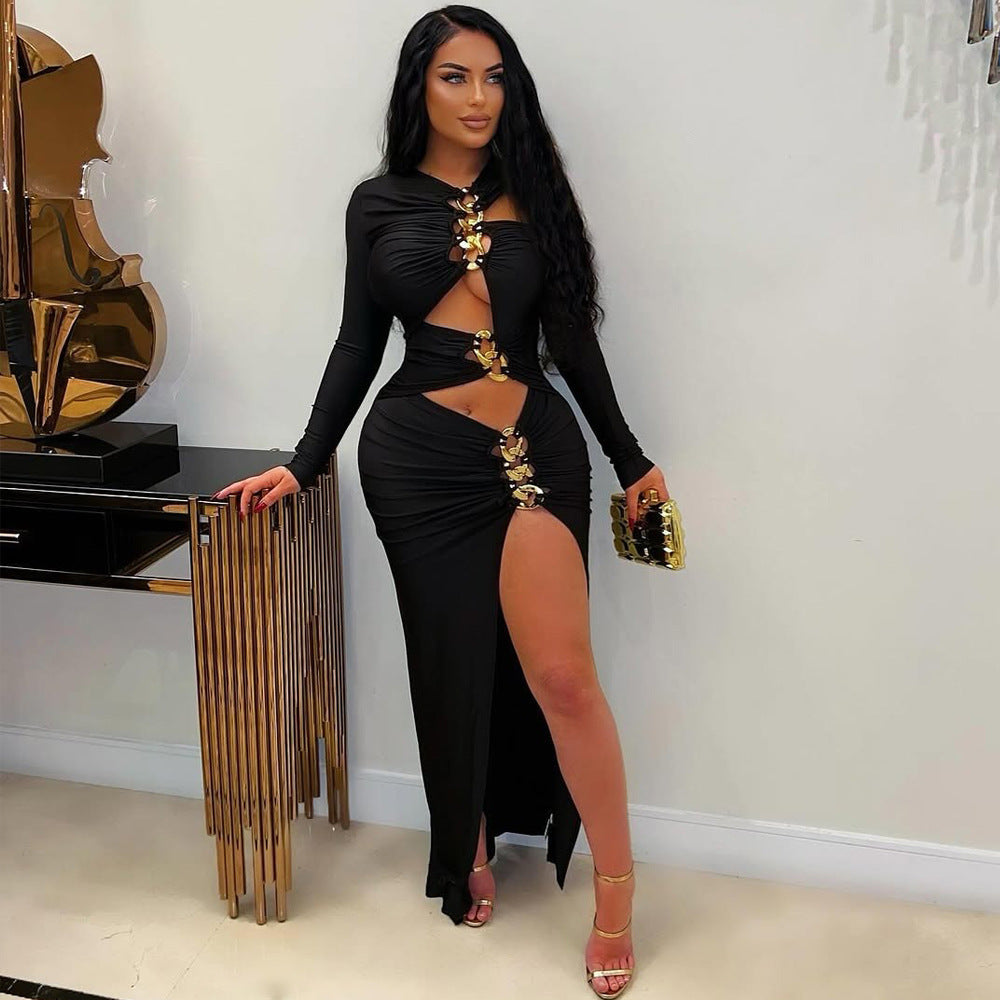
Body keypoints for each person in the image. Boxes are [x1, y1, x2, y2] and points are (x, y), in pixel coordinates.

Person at [213, 6, 669, 996]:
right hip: (415, 457)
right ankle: (462, 835)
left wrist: (632, 460)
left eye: (495, 77)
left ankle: (618, 892)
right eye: (456, 76)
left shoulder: (535, 193)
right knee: (447, 659)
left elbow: (573, 341)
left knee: (563, 675)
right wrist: (304, 460)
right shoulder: (375, 202)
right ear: (418, 85)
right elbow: (356, 341)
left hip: (532, 447)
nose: (478, 97)